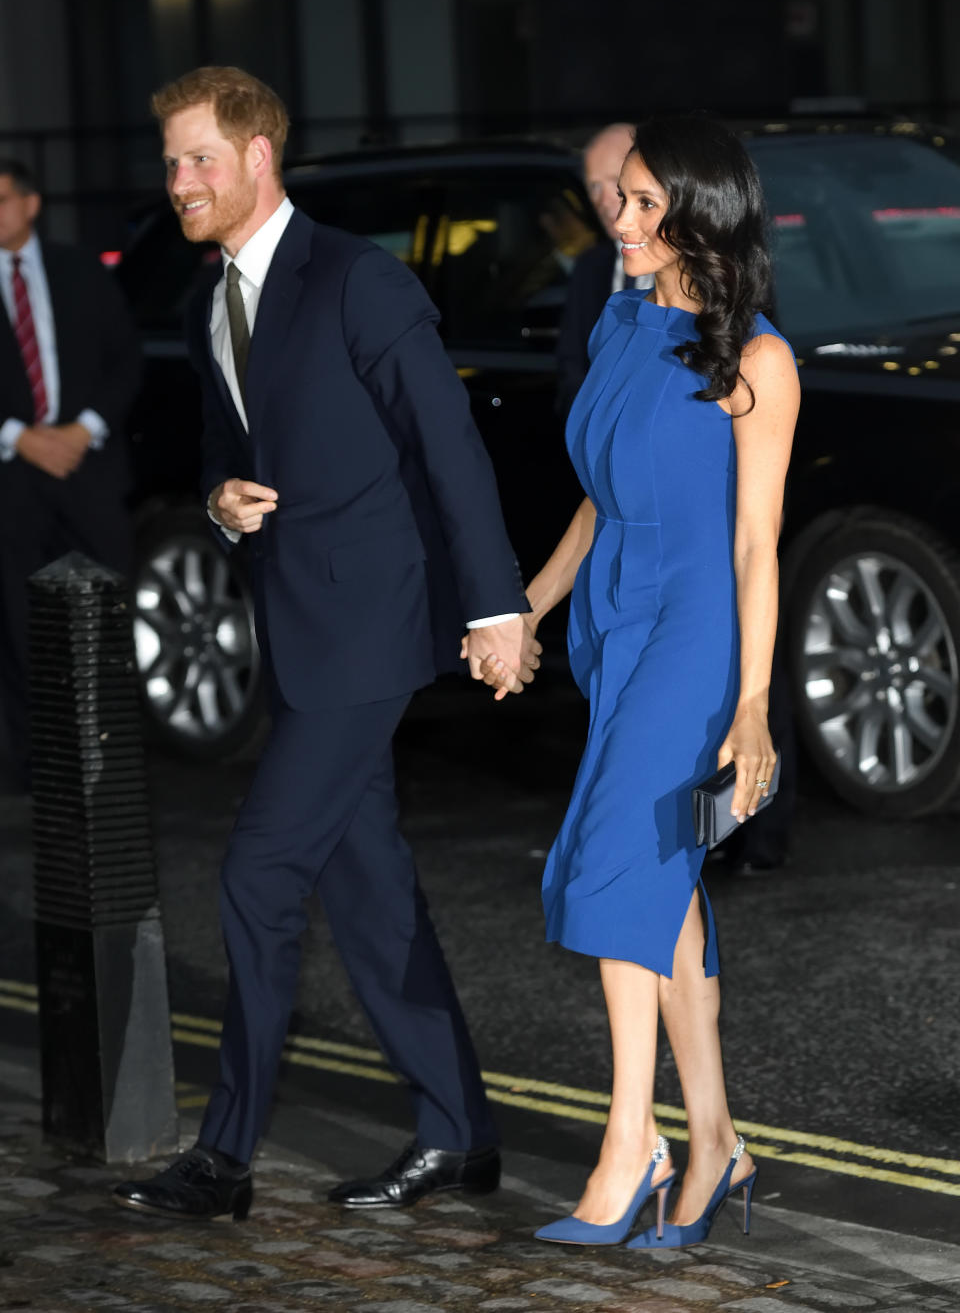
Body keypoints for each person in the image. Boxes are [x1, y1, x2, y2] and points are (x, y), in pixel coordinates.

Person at [113, 66, 539, 1223]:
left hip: (372, 625)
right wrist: (218, 499)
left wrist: (496, 608)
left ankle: (225, 1155)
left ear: (259, 157)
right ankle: (459, 1132)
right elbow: (218, 439)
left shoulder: (358, 277)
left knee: (257, 873)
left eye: (200, 158)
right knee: (369, 890)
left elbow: (448, 447)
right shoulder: (215, 304)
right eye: (170, 162)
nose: (181, 181)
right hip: (298, 630)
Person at [482, 115, 800, 1249]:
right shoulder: (620, 322)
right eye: (618, 196)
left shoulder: (757, 359)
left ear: (700, 215)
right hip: (615, 624)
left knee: (619, 858)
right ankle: (715, 1138)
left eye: (644, 201)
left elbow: (759, 545)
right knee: (664, 877)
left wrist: (754, 703)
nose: (619, 218)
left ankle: (633, 1141)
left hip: (697, 635)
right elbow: (598, 493)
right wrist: (529, 604)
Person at [0, 160, 141, 792]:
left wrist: (82, 429)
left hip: (88, 465)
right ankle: (37, 763)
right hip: (12, 475)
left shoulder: (79, 270)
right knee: (19, 620)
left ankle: (109, 755)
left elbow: (126, 360)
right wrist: (19, 437)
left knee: (107, 608)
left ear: (31, 204)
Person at [555, 123, 653, 419]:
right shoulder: (589, 267)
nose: (602, 199)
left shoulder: (692, 267)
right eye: (593, 186)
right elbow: (570, 367)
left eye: (613, 182)